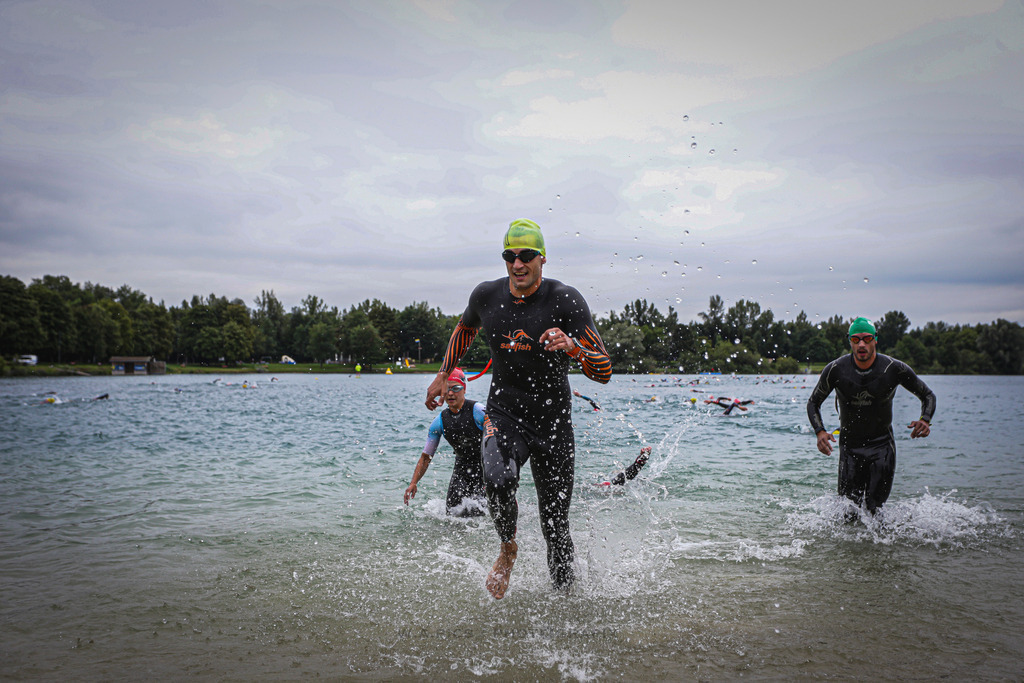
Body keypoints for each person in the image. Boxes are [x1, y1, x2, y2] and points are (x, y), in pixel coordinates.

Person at [425, 218, 612, 599]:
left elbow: (604, 370)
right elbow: (465, 330)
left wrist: (574, 349)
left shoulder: (565, 299)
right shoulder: (487, 296)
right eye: (510, 256)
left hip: (554, 422)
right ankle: (508, 548)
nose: (517, 265)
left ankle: (566, 604)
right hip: (505, 413)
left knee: (555, 525)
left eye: (526, 256)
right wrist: (444, 373)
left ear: (542, 259)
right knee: (496, 480)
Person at [807, 317, 936, 516]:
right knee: (848, 514)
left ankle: (881, 546)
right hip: (850, 447)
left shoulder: (893, 368)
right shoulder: (836, 369)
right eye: (856, 339)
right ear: (849, 341)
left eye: (867, 339)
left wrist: (925, 419)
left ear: (875, 339)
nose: (861, 344)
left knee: (875, 511)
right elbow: (813, 402)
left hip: (881, 446)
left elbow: (928, 395)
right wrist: (820, 431)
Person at [405, 368, 487, 517]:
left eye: (456, 388)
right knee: (452, 515)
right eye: (447, 389)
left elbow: (501, 438)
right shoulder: (440, 421)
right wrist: (413, 483)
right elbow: (426, 456)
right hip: (462, 469)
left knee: (483, 514)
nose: (450, 393)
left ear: (464, 389)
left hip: (487, 468)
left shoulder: (478, 410)